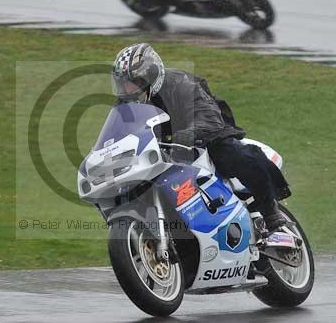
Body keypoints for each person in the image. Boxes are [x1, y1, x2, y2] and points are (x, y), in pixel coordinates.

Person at [111, 42, 290, 233]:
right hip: (160, 152)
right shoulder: (125, 106)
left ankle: (271, 214)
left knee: (230, 152)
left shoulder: (180, 83)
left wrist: (188, 133)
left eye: (133, 83)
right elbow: (117, 137)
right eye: (123, 84)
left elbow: (207, 115)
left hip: (206, 135)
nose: (128, 90)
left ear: (150, 76)